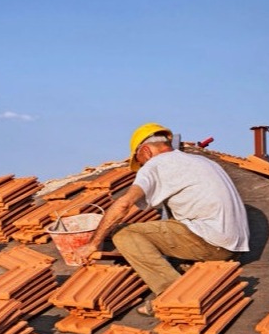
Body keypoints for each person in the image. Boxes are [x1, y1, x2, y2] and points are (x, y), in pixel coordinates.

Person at [76, 122, 250, 316]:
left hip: (213, 243)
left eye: (139, 160)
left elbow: (124, 204)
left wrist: (93, 243)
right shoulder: (202, 161)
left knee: (124, 234)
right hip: (236, 246)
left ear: (146, 151)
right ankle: (188, 269)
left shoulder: (155, 164)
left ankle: (172, 293)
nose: (141, 166)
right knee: (173, 217)